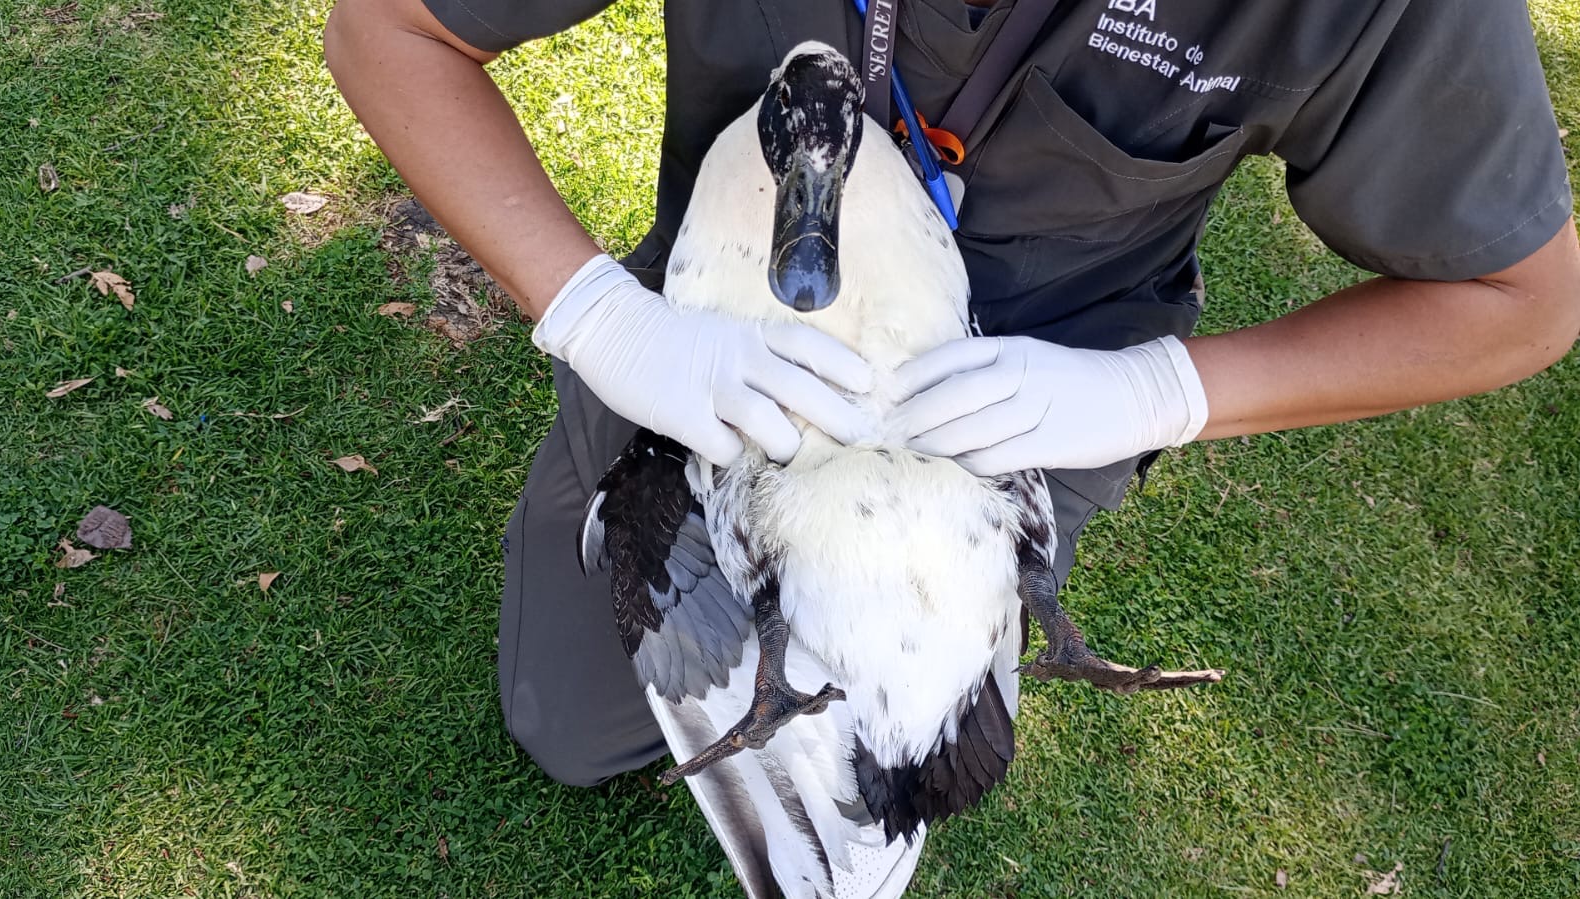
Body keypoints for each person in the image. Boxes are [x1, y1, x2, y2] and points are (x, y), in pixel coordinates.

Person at [325, 0, 1579, 789]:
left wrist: (1155, 392)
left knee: (899, 754)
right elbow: (390, 28)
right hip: (715, 344)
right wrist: (604, 320)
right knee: (576, 726)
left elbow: (1523, 297)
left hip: (1029, 401)